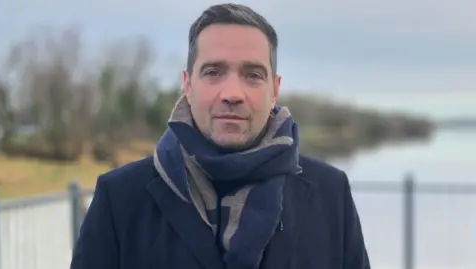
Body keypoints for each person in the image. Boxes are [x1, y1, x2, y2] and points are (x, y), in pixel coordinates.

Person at [70, 3, 371, 269]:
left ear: (274, 90)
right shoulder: (120, 199)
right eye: (214, 72)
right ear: (187, 85)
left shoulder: (330, 195)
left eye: (253, 75)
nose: (232, 94)